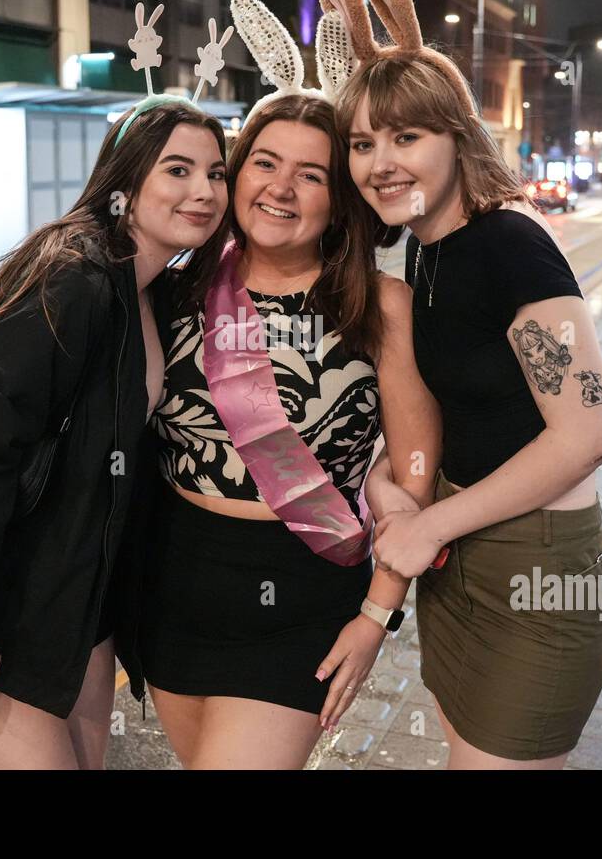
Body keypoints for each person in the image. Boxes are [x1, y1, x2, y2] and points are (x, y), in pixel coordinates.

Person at [322, 0, 602, 770]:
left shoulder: (509, 244)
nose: (381, 163)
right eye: (361, 143)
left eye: (406, 136)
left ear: (457, 138)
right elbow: (460, 403)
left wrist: (430, 527)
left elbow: (588, 433)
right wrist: (392, 475)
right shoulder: (423, 251)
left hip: (539, 571)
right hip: (460, 566)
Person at [0, 99, 228, 769]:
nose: (203, 191)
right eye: (178, 169)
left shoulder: (148, 291)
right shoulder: (71, 279)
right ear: (125, 180)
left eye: (216, 172)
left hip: (76, 606)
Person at [139, 91, 439, 769]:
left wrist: (377, 615)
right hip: (172, 587)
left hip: (301, 603)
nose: (281, 187)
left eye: (310, 175)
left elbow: (417, 462)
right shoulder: (176, 289)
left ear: (339, 199)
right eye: (264, 163)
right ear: (236, 174)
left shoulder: (380, 304)